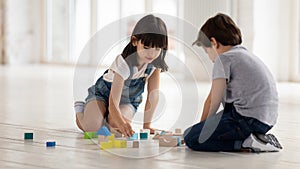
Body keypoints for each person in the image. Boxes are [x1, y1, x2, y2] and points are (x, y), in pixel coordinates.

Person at [183, 13, 282, 152]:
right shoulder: (244, 54)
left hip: (247, 120)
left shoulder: (223, 59)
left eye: (207, 51)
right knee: (227, 106)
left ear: (213, 43)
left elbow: (213, 101)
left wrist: (200, 130)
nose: (209, 57)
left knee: (191, 138)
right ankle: (258, 139)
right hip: (267, 120)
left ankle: (247, 143)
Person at [74, 14, 168, 137]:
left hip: (128, 101)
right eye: (146, 47)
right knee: (92, 127)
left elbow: (153, 96)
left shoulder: (155, 65)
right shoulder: (123, 64)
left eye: (157, 49)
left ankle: (104, 119)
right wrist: (120, 121)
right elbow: (113, 103)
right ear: (134, 41)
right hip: (103, 95)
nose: (152, 53)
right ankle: (80, 110)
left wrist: (147, 125)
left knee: (117, 127)